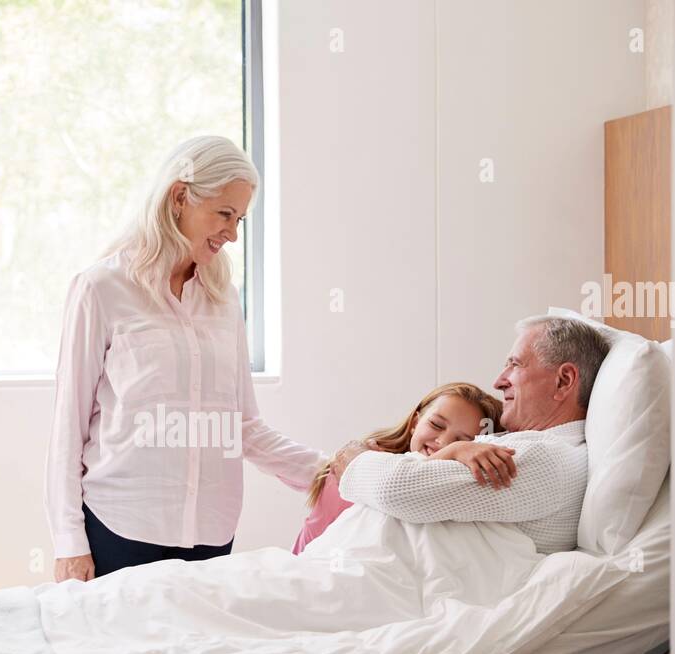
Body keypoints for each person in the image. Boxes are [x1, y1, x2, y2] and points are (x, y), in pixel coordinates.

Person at [46, 136, 324, 581]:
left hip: (211, 535)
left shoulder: (223, 299)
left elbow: (243, 426)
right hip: (120, 529)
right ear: (179, 197)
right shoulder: (100, 288)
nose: (233, 234)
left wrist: (330, 471)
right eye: (225, 214)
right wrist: (68, 541)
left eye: (240, 219)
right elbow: (68, 427)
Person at [330, 316, 611, 554]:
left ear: (563, 381)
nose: (499, 381)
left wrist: (353, 457)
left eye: (515, 365)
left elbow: (395, 488)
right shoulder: (529, 448)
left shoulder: (546, 459)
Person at [293, 383, 503, 555]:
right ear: (415, 422)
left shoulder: (456, 487)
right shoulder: (367, 464)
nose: (442, 441)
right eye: (436, 425)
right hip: (312, 566)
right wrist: (454, 450)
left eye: (462, 440)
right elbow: (402, 490)